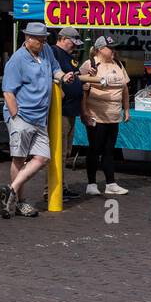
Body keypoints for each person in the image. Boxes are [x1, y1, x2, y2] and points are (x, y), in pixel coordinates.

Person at [0, 22, 74, 219]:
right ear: (28, 39)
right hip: (23, 116)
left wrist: (63, 77)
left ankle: (11, 190)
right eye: (40, 40)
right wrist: (16, 117)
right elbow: (8, 91)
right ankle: (19, 203)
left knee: (42, 157)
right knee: (19, 158)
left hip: (40, 117)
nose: (43, 43)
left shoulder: (46, 51)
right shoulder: (17, 60)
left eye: (44, 39)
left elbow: (55, 70)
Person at [79, 34, 130, 197]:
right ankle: (92, 183)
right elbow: (83, 88)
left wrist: (126, 109)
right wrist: (84, 111)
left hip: (113, 115)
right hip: (96, 115)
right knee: (94, 149)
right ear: (100, 49)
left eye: (115, 47)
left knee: (109, 150)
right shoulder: (90, 64)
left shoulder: (118, 63)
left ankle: (111, 183)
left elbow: (125, 89)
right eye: (110, 47)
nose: (113, 50)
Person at [50, 29, 84, 196]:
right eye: (72, 43)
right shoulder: (53, 52)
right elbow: (50, 75)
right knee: (59, 151)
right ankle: (52, 189)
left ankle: (61, 186)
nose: (74, 47)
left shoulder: (68, 56)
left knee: (66, 151)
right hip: (60, 110)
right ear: (62, 39)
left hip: (71, 110)